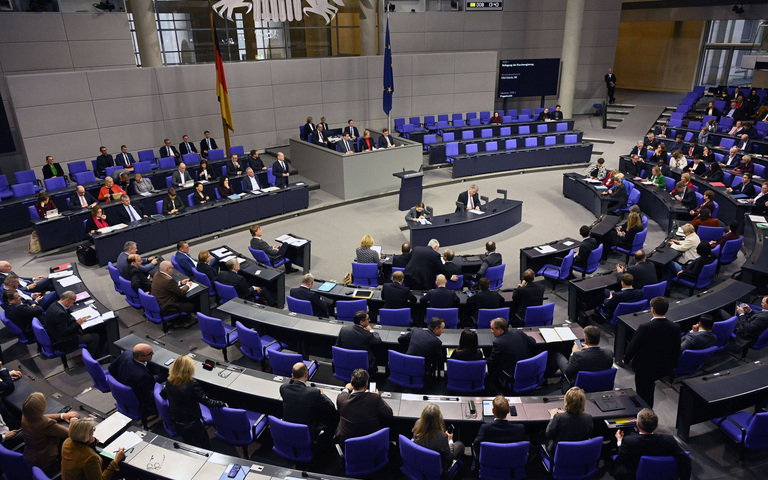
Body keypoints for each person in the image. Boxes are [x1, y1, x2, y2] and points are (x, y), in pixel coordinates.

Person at [622, 297, 680, 407]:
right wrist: (674, 365)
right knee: (649, 387)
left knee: (642, 391)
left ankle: (644, 412)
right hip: (663, 366)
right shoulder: (675, 327)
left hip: (644, 367)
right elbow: (676, 348)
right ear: (667, 309)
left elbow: (633, 345)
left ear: (652, 310)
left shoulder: (645, 327)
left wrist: (626, 359)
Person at [161, 355, 225, 449]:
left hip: (176, 419)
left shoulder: (169, 380)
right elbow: (207, 402)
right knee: (205, 444)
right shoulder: (192, 384)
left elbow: (163, 393)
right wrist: (223, 403)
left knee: (189, 443)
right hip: (192, 422)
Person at [614, 408, 691, 480]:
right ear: (656, 425)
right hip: (663, 473)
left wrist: (619, 441)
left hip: (635, 473)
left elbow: (622, 458)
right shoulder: (669, 440)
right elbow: (685, 461)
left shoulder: (629, 441)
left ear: (637, 424)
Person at [279, 362, 339, 443]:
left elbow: (291, 387)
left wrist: (292, 379)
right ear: (306, 375)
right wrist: (322, 394)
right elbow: (331, 406)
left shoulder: (283, 388)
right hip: (307, 432)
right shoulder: (313, 392)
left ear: (292, 375)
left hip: (289, 430)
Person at [335, 369, 393, 446]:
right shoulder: (374, 399)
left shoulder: (341, 398)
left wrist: (346, 389)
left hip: (347, 445)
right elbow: (389, 414)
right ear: (366, 385)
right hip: (370, 444)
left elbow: (344, 394)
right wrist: (378, 396)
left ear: (352, 383)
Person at [21, 392, 78, 468]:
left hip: (30, 455)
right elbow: (70, 433)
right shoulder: (46, 423)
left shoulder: (25, 416)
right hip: (45, 458)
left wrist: (62, 415)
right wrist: (74, 419)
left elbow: (41, 417)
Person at [109, 343, 165, 418]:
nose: (153, 354)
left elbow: (111, 368)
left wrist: (122, 382)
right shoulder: (142, 375)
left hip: (129, 388)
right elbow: (149, 397)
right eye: (150, 354)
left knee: (161, 375)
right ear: (140, 357)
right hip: (141, 401)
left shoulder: (126, 354)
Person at [43, 291, 101, 356]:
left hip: (54, 334)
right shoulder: (60, 313)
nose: (72, 304)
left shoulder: (54, 305)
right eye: (73, 302)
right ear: (68, 300)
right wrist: (77, 324)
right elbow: (64, 332)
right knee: (95, 336)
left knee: (83, 329)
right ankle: (90, 358)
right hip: (64, 341)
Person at [412, 403, 464, 473]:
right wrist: (450, 440)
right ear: (438, 419)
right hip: (438, 469)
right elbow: (450, 457)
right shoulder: (442, 437)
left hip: (420, 463)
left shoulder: (417, 425)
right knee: (460, 445)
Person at [556, 325, 613, 390]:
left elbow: (567, 372)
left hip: (578, 388)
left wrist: (573, 353)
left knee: (558, 356)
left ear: (586, 339)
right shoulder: (609, 353)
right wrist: (589, 348)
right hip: (600, 384)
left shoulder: (577, 356)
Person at [471, 396, 525, 463]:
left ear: (493, 411)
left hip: (490, 464)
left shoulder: (485, 428)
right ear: (508, 410)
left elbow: (476, 445)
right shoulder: (520, 428)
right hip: (511, 465)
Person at [543, 387, 593, 458]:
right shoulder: (588, 418)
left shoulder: (559, 417)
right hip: (579, 453)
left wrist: (552, 417)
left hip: (559, 455)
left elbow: (548, 434)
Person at [487, 318, 535, 390]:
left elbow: (492, 361)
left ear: (500, 330)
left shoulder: (498, 343)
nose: (491, 331)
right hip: (528, 368)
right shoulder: (519, 333)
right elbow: (533, 342)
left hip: (512, 373)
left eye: (493, 329)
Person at [151, 260, 195, 326]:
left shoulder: (157, 274)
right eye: (172, 268)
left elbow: (169, 286)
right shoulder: (168, 280)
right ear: (168, 269)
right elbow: (181, 292)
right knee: (190, 305)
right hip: (168, 307)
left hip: (159, 303)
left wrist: (181, 283)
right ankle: (183, 322)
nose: (173, 269)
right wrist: (188, 285)